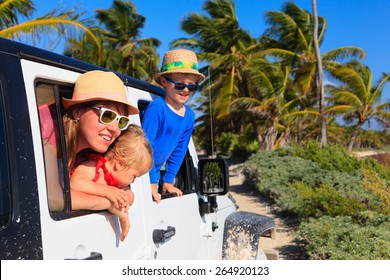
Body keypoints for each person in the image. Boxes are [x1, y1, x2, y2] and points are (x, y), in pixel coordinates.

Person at [40, 70, 140, 214]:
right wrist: (109, 202)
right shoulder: (47, 129)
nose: (114, 129)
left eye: (121, 121)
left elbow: (125, 189)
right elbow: (54, 200)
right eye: (107, 115)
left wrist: (121, 196)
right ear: (77, 112)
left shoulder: (93, 147)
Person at [141, 49, 205, 203]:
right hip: (140, 173)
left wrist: (168, 181)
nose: (185, 90)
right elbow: (144, 147)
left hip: (155, 173)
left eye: (191, 87)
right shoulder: (157, 108)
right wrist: (149, 182)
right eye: (179, 84)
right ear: (164, 81)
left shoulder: (189, 116)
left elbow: (180, 149)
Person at [70, 125, 153, 241]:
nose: (133, 181)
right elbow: (75, 183)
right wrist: (108, 191)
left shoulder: (116, 183)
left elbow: (130, 195)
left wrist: (123, 201)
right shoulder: (94, 166)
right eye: (134, 176)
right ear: (120, 164)